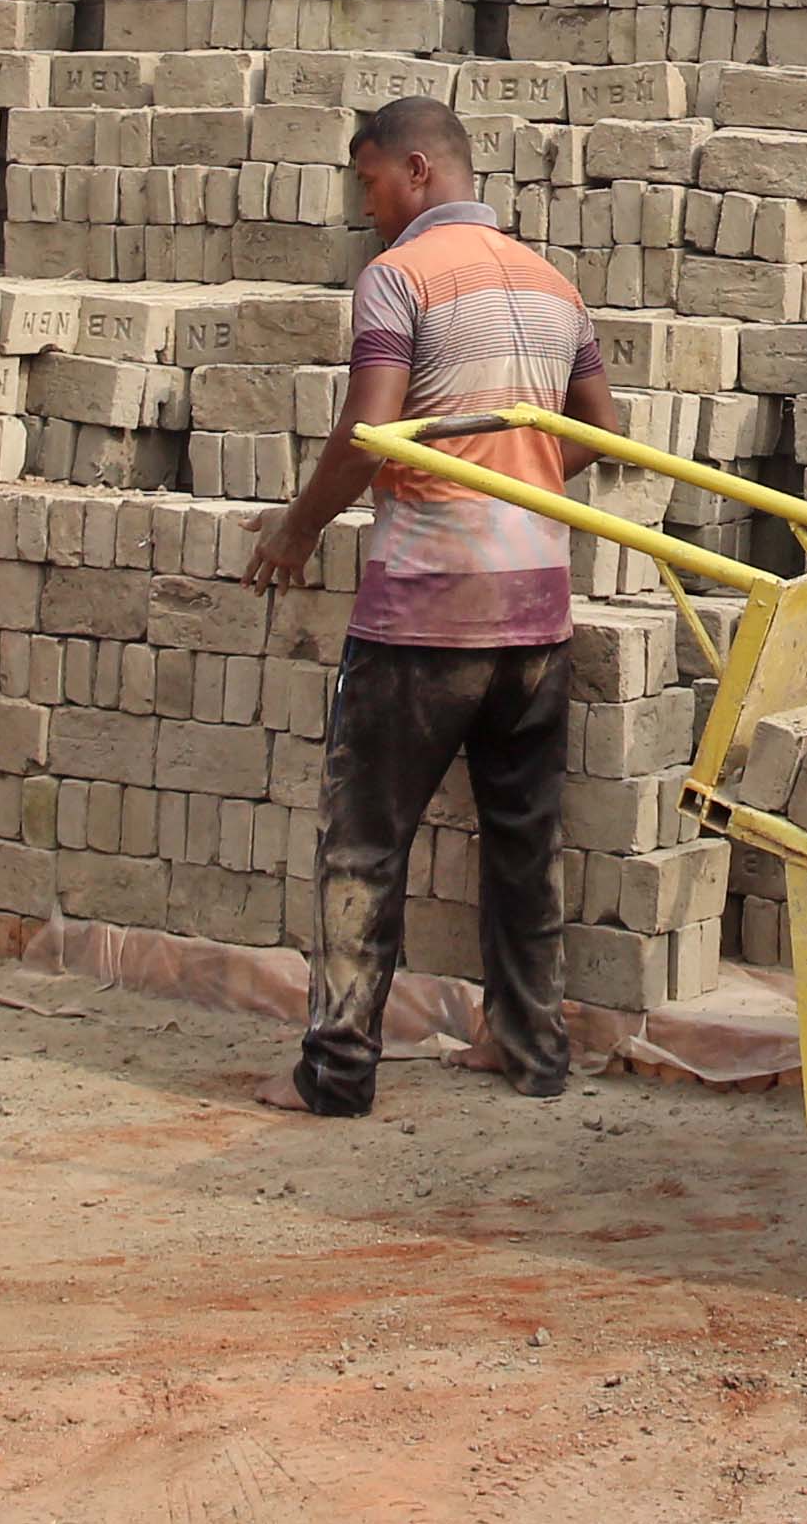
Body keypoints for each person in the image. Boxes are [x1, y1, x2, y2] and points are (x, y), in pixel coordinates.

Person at [241, 98, 618, 1116]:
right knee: (522, 839)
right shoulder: (551, 283)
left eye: (367, 182)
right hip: (536, 610)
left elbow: (371, 432)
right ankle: (530, 1048)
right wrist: (519, 473)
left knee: (363, 845)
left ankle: (337, 1073)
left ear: (415, 171)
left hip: (423, 615)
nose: (365, 206)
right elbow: (601, 431)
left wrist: (299, 527)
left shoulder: (397, 279)